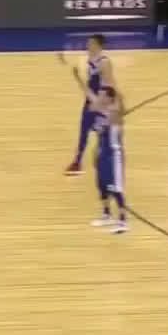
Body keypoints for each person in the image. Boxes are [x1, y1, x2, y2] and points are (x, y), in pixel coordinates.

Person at [65, 56, 128, 233]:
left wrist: (114, 88)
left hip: (114, 155)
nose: (98, 97)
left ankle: (123, 221)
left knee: (115, 188)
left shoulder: (114, 113)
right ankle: (106, 215)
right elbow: (88, 94)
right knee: (101, 185)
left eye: (102, 96)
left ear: (109, 99)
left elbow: (119, 104)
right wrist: (78, 78)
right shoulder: (101, 108)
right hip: (102, 153)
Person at [63, 34, 115, 176]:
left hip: (100, 102)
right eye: (88, 43)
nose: (88, 46)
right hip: (91, 100)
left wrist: (103, 103)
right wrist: (78, 78)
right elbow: (89, 86)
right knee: (84, 130)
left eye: (91, 43)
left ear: (99, 46)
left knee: (101, 133)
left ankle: (103, 161)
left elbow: (110, 86)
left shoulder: (104, 63)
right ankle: (78, 162)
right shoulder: (90, 61)